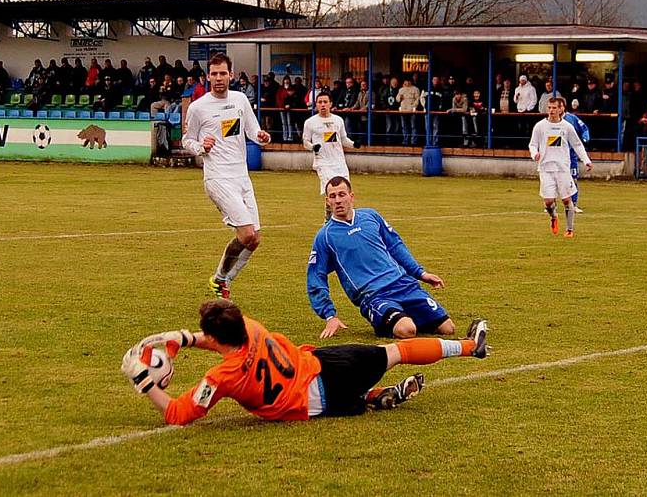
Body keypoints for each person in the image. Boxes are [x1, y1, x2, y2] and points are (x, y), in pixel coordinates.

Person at [120, 299, 490, 425]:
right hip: (324, 363)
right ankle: (470, 346)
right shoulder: (251, 326)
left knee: (351, 402)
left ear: (216, 339)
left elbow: (177, 414)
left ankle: (373, 397)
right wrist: (182, 339)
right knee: (397, 353)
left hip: (314, 401)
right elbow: (219, 340)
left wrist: (146, 381)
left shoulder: (221, 377)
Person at [307, 177, 457, 339]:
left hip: (404, 285)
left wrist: (420, 273)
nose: (338, 200)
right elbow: (316, 276)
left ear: (351, 196)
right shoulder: (325, 236)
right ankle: (396, 318)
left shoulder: (371, 216)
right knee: (407, 330)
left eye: (342, 194)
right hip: (374, 295)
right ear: (327, 201)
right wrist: (330, 315)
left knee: (448, 328)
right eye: (333, 196)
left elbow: (395, 246)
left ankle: (402, 314)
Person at [182, 53, 271, 300]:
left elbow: (253, 131)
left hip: (241, 176)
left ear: (231, 75)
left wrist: (263, 136)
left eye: (223, 73)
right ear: (207, 76)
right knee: (246, 234)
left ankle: (221, 279)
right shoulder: (199, 107)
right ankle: (221, 280)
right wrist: (201, 146)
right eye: (214, 74)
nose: (219, 78)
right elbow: (186, 139)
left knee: (255, 240)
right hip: (218, 177)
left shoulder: (240, 99)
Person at [529, 97, 593, 238]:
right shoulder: (540, 126)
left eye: (554, 108)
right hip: (545, 168)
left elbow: (577, 145)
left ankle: (569, 229)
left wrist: (586, 160)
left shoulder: (566, 126)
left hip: (563, 168)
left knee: (566, 199)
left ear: (561, 109)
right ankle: (554, 216)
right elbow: (532, 144)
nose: (551, 110)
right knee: (548, 201)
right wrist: (535, 154)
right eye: (549, 107)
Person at [302, 92, 360, 218]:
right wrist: (313, 147)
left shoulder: (338, 120)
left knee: (344, 191)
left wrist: (354, 144)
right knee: (332, 191)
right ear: (316, 105)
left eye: (325, 102)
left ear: (330, 104)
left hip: (339, 162)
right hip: (323, 163)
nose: (322, 105)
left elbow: (343, 139)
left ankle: (347, 220)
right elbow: (305, 142)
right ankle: (328, 220)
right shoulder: (310, 122)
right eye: (320, 102)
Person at [557, 97, 590, 213]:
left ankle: (574, 204)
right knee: (555, 179)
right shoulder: (550, 122)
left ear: (563, 107)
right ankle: (552, 204)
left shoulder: (572, 118)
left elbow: (584, 128)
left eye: (559, 107)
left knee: (573, 179)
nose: (556, 109)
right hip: (557, 156)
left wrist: (585, 137)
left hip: (571, 155)